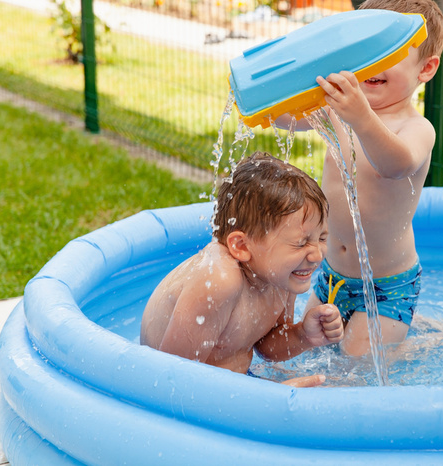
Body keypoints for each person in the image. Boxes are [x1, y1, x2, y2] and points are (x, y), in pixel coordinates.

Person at [299, 0, 443, 355]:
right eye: (366, 49)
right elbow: (289, 119)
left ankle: (416, 346)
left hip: (387, 286)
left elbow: (394, 164)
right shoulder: (339, 111)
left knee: (355, 369)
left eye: (390, 53)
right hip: (331, 277)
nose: (374, 63)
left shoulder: (417, 128)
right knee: (302, 349)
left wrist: (362, 118)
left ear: (425, 68)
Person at [140, 152, 344, 387]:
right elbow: (168, 381)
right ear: (242, 246)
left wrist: (303, 335)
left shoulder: (283, 274)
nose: (317, 255)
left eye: (322, 238)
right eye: (301, 243)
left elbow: (266, 347)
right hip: (185, 393)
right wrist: (266, 401)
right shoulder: (218, 281)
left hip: (228, 389)